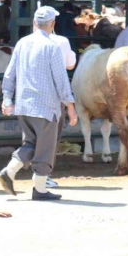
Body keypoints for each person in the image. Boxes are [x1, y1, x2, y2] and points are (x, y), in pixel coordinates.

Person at [0, 6, 78, 201]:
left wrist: (7, 98)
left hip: (24, 105)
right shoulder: (52, 47)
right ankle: (39, 189)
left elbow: (10, 74)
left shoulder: (22, 44)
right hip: (46, 106)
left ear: (34, 22)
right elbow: (61, 79)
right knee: (46, 148)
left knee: (31, 143)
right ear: (53, 24)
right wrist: (71, 106)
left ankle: (9, 171)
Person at [46, 25, 77, 189]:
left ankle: (12, 169)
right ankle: (44, 175)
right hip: (54, 97)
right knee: (52, 137)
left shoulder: (25, 42)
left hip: (30, 97)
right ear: (52, 24)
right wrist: (70, 105)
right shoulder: (61, 42)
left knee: (32, 138)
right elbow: (70, 65)